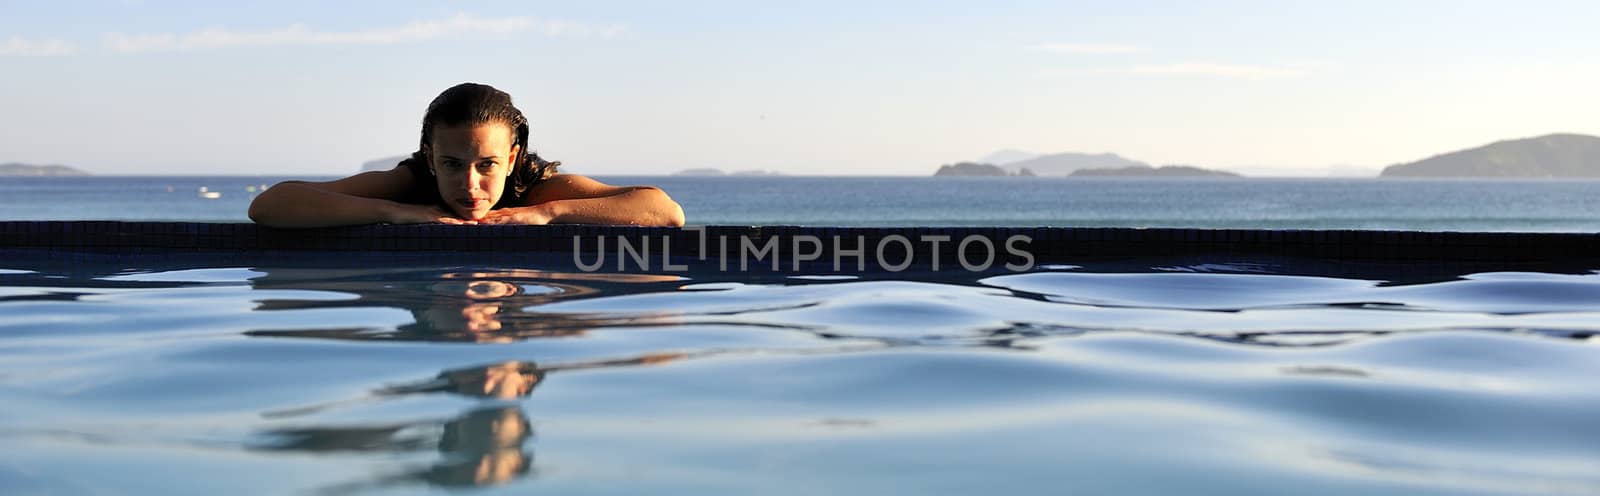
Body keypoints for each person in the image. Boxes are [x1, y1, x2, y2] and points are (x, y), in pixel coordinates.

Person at [249, 82, 684, 228]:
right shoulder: (411, 184)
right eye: (452, 165)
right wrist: (394, 211)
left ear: (512, 159)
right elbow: (269, 205)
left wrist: (547, 213)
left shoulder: (534, 189)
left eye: (487, 165)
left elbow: (664, 211)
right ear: (431, 157)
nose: (470, 185)